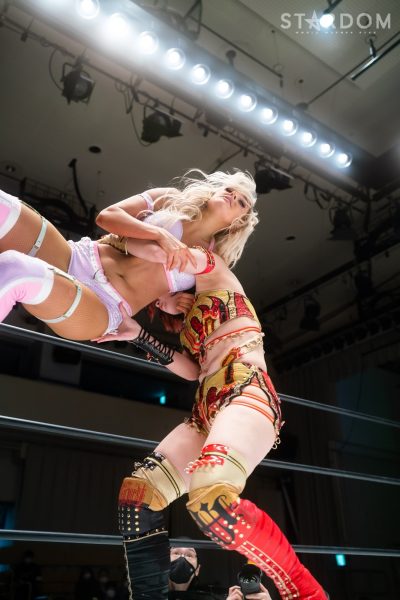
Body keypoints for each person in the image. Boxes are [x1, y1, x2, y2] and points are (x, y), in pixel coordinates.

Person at [101, 245, 326, 599]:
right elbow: (192, 371)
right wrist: (138, 335)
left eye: (156, 294)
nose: (156, 301)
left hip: (245, 391)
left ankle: (304, 590)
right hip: (205, 410)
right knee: (138, 495)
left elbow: (177, 249)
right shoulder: (187, 322)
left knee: (212, 500)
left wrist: (144, 257)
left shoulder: (212, 271)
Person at [0, 170, 258, 340]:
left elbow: (197, 311)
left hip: (105, 304)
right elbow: (107, 217)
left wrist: (171, 303)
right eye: (230, 189)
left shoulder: (213, 260)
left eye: (242, 202)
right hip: (76, 256)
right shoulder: (169, 198)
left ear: (239, 223)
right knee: (4, 205)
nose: (233, 195)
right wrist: (159, 234)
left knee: (16, 269)